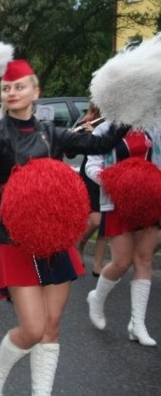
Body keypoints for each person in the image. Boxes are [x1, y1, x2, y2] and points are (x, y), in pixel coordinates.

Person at [0, 60, 126, 395]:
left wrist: (129, 110)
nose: (12, 92)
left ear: (36, 92)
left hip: (55, 239)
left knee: (52, 326)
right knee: (32, 328)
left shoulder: (50, 132)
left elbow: (98, 145)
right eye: (7, 88)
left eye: (20, 86)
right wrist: (18, 193)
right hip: (15, 238)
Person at [85, 123, 158, 347]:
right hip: (117, 201)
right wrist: (115, 180)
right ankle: (97, 298)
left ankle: (137, 324)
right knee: (121, 262)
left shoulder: (154, 125)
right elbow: (92, 164)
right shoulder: (106, 128)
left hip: (150, 201)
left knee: (144, 259)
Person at [71, 103, 107, 276]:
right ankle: (79, 244)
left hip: (111, 171)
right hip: (92, 174)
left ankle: (98, 265)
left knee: (106, 224)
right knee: (95, 220)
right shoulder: (88, 121)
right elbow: (73, 148)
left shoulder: (116, 122)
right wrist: (89, 132)